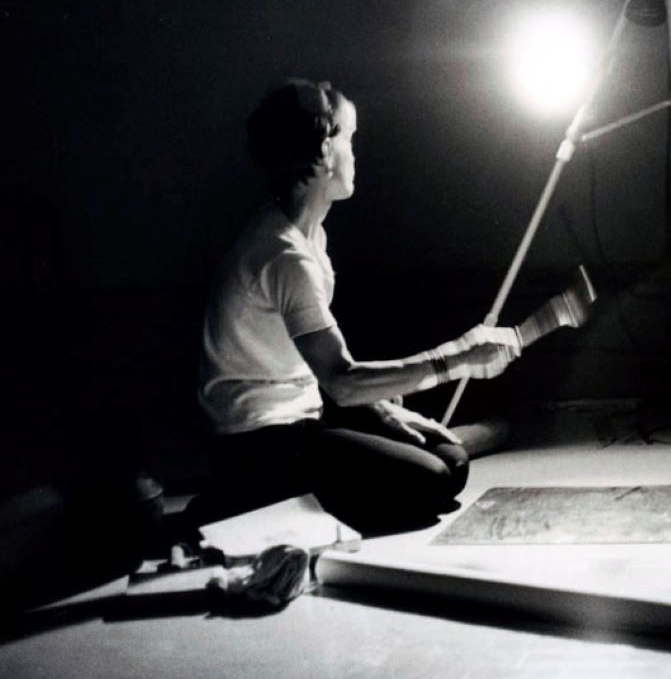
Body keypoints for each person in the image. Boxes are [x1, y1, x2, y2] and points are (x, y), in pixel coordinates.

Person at [191, 79, 520, 536]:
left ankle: (317, 488)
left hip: (303, 417)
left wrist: (384, 411)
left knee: (453, 460)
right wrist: (461, 356)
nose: (354, 152)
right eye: (348, 137)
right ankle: (253, 502)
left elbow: (321, 377)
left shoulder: (308, 237)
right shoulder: (284, 255)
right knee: (432, 481)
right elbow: (342, 382)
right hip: (259, 443)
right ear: (323, 152)